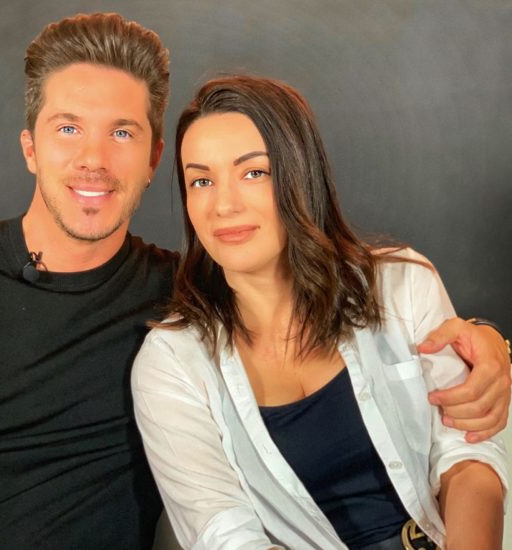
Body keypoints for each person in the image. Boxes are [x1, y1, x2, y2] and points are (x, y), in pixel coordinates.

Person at [0, 11, 508, 550]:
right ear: (29, 148)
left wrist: (487, 342)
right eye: (68, 128)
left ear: (153, 160)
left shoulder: (181, 298)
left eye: (121, 132)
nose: (94, 158)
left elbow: (350, 307)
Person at [132, 75, 508, 549]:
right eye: (202, 180)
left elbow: (469, 457)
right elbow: (225, 536)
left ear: (300, 175)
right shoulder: (172, 361)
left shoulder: (403, 285)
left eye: (254, 173)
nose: (223, 205)